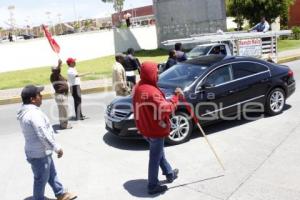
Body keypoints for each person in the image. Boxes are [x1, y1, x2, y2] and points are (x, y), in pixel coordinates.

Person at [17, 85, 77, 200]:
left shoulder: (28, 111)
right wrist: (57, 148)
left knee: (51, 173)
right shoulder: (33, 114)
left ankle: (60, 194)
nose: (41, 96)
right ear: (32, 99)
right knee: (40, 180)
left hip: (41, 151)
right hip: (39, 154)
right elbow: (43, 135)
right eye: (39, 95)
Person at [132, 61, 183, 195]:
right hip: (155, 129)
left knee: (159, 153)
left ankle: (169, 173)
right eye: (156, 71)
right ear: (150, 73)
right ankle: (152, 185)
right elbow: (166, 109)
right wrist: (176, 97)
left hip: (145, 128)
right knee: (155, 156)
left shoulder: (139, 87)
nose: (158, 74)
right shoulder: (151, 91)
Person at [50, 59, 72, 129]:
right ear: (54, 70)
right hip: (61, 95)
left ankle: (63, 123)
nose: (59, 69)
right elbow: (57, 70)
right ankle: (64, 125)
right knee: (64, 110)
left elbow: (64, 80)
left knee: (63, 110)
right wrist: (59, 64)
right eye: (58, 68)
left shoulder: (58, 75)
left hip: (63, 94)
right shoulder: (54, 75)